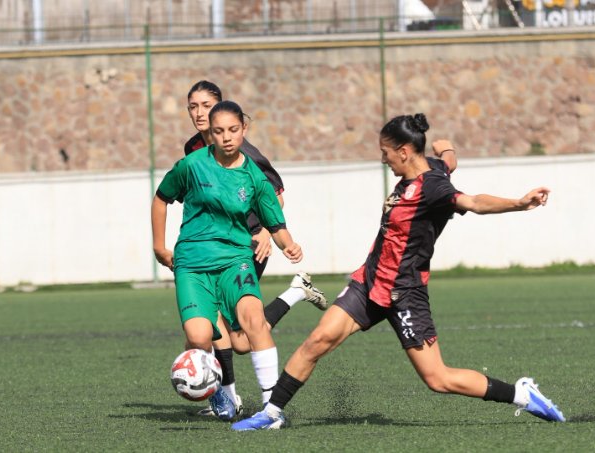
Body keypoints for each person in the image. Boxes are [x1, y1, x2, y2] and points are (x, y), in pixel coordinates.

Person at [232, 113, 565, 431]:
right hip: (368, 282)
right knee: (318, 339)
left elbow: (474, 202)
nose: (383, 160)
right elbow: (448, 160)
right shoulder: (431, 167)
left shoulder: (434, 187)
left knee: (438, 379)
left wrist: (520, 203)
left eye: (385, 153)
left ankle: (521, 394)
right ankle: (272, 413)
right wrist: (445, 147)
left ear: (404, 152)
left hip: (405, 292)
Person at [179, 81, 328, 419]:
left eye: (206, 105)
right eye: (193, 106)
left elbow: (274, 194)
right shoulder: (192, 148)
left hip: (244, 245)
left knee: (230, 330)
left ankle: (229, 401)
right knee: (239, 340)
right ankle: (295, 293)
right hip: (210, 247)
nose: (199, 113)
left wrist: (262, 230)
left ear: (221, 108)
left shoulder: (247, 153)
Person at [151, 100, 304, 423]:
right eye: (219, 131)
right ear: (212, 132)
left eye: (233, 130)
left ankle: (270, 408)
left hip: (236, 259)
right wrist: (159, 246)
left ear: (244, 129)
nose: (226, 137)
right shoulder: (191, 165)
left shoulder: (254, 176)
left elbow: (275, 224)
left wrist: (289, 245)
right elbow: (161, 197)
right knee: (198, 336)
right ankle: (219, 392)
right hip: (192, 263)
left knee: (252, 321)